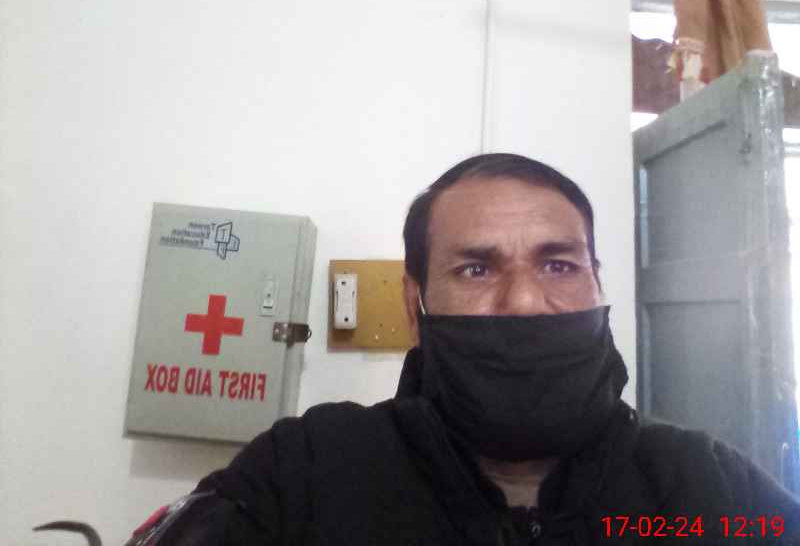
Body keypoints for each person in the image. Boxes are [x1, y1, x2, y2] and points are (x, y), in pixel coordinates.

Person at [127, 153, 800, 545]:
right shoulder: (304, 471)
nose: (525, 301)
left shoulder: (709, 488)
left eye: (559, 265)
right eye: (476, 269)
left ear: (598, 281)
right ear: (414, 305)